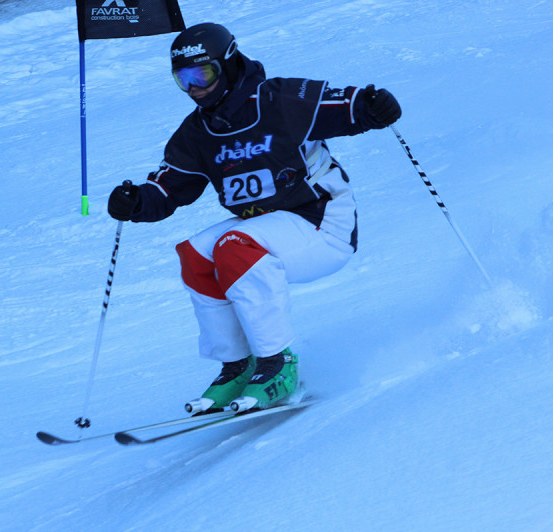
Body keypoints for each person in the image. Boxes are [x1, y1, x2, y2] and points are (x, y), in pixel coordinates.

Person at [107, 22, 401, 413]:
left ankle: (278, 364)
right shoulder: (198, 133)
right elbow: (166, 191)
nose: (195, 88)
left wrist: (373, 106)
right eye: (184, 79)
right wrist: (137, 201)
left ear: (228, 66)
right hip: (268, 228)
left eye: (203, 74)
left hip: (322, 222)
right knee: (195, 255)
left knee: (234, 245)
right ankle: (238, 366)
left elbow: (349, 107)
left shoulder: (281, 100)